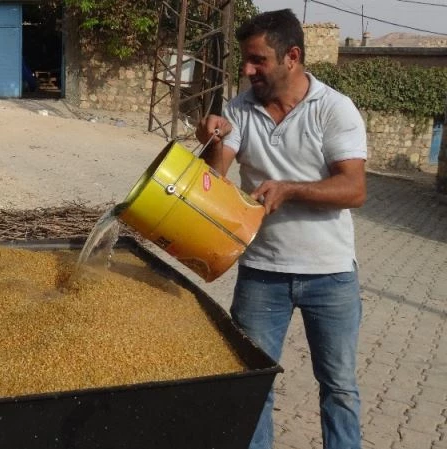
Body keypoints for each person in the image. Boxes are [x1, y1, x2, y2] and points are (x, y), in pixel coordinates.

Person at [195, 9, 366, 449]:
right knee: (252, 386)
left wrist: (291, 190)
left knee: (340, 389)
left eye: (258, 61)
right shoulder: (240, 109)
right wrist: (211, 141)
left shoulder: (333, 109)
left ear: (292, 56)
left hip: (330, 275)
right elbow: (213, 185)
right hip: (262, 273)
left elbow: (354, 189)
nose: (247, 70)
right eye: (245, 61)